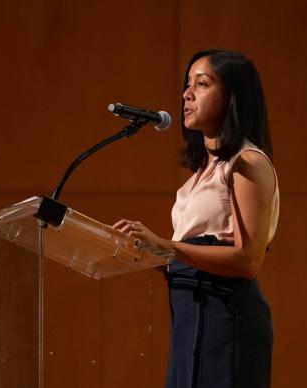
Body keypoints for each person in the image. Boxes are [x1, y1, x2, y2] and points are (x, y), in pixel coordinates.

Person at [113, 48, 279, 388]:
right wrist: (152, 254)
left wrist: (166, 246)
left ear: (232, 95)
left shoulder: (247, 163)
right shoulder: (201, 173)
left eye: (201, 84)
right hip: (188, 309)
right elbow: (190, 251)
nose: (186, 94)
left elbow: (248, 260)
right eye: (187, 84)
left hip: (225, 315)